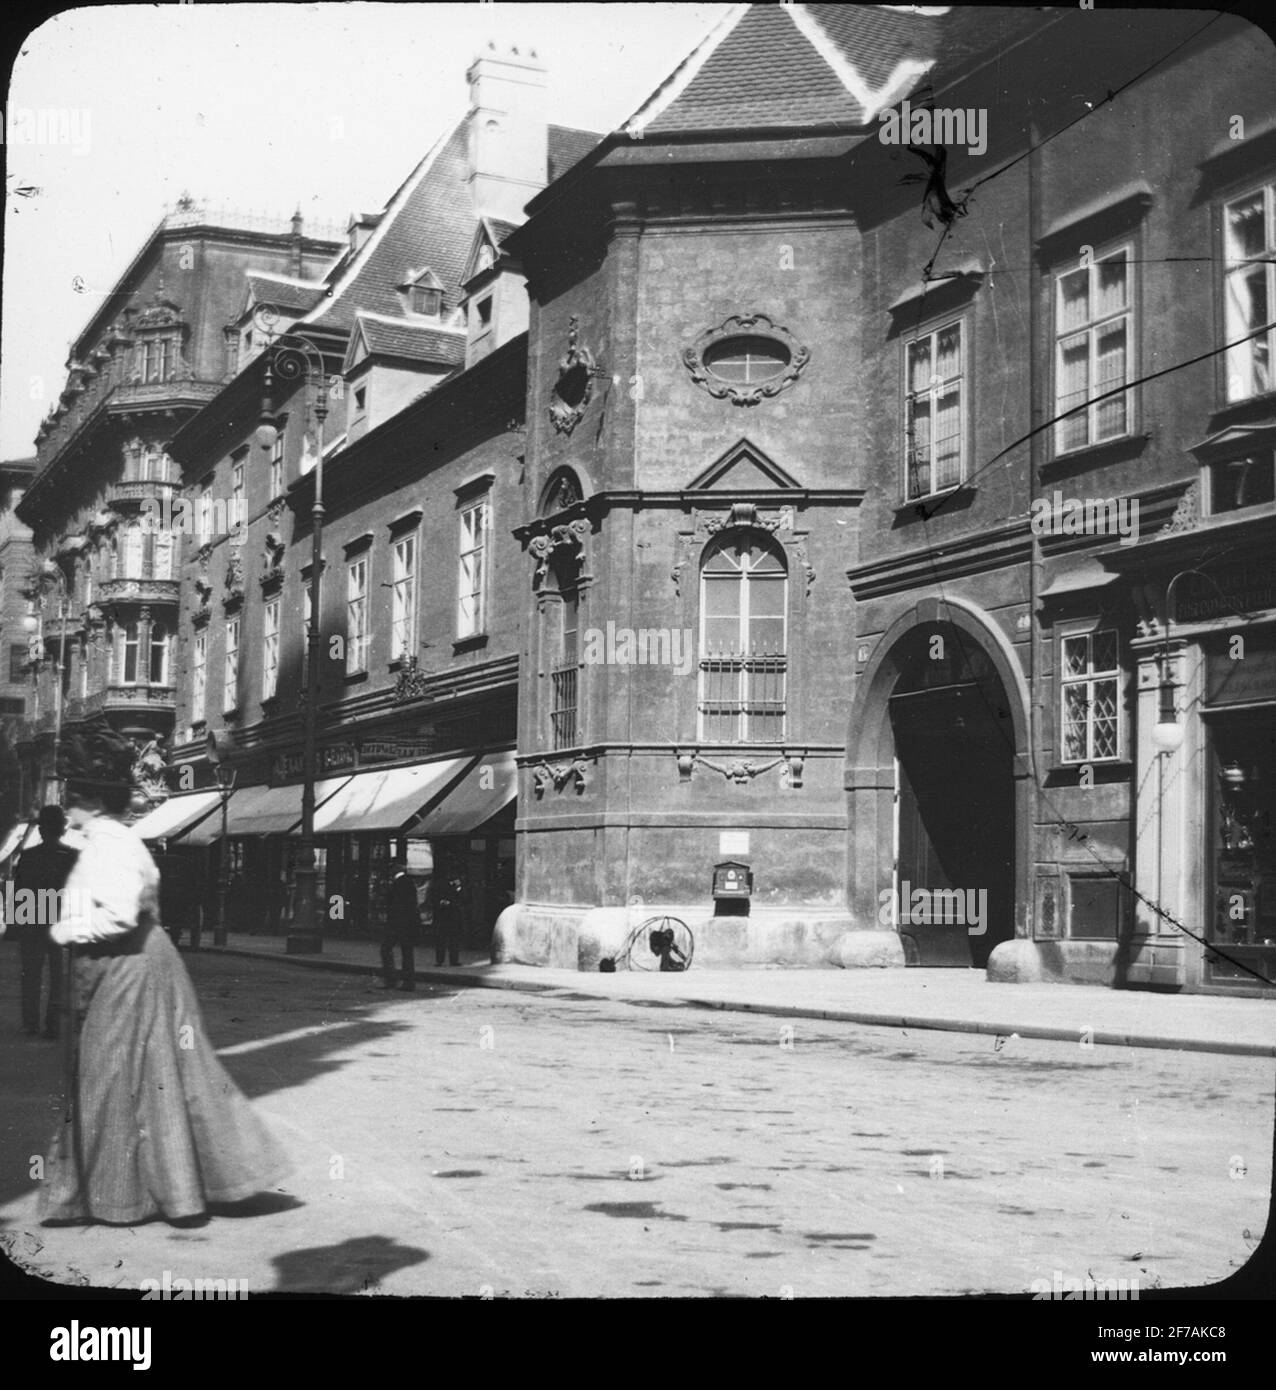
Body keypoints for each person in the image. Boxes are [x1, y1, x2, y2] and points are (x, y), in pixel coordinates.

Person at [39, 715, 290, 1227]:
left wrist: (65, 930)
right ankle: (168, 1188)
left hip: (128, 964)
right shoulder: (108, 841)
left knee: (119, 1074)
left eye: (72, 798)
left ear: (89, 800)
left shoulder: (110, 844)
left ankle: (127, 1194)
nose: (68, 809)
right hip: (132, 963)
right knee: (149, 1074)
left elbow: (119, 914)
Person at [14, 806, 78, 1039]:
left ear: (41, 830)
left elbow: (19, 893)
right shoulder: (73, 857)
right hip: (60, 924)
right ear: (62, 829)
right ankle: (52, 1025)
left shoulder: (29, 856)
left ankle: (30, 1023)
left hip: (33, 922)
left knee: (30, 975)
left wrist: (19, 924)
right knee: (58, 976)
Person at [381, 857, 420, 991]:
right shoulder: (409, 883)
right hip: (408, 924)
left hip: (396, 924)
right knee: (407, 952)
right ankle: (408, 982)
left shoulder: (397, 884)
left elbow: (392, 904)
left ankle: (391, 979)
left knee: (386, 949)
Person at [430, 860, 465, 967]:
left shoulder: (459, 886)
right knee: (441, 939)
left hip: (454, 915)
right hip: (443, 915)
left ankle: (454, 960)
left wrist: (459, 888)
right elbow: (433, 897)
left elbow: (464, 898)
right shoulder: (440, 884)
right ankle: (440, 960)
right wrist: (441, 901)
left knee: (454, 939)